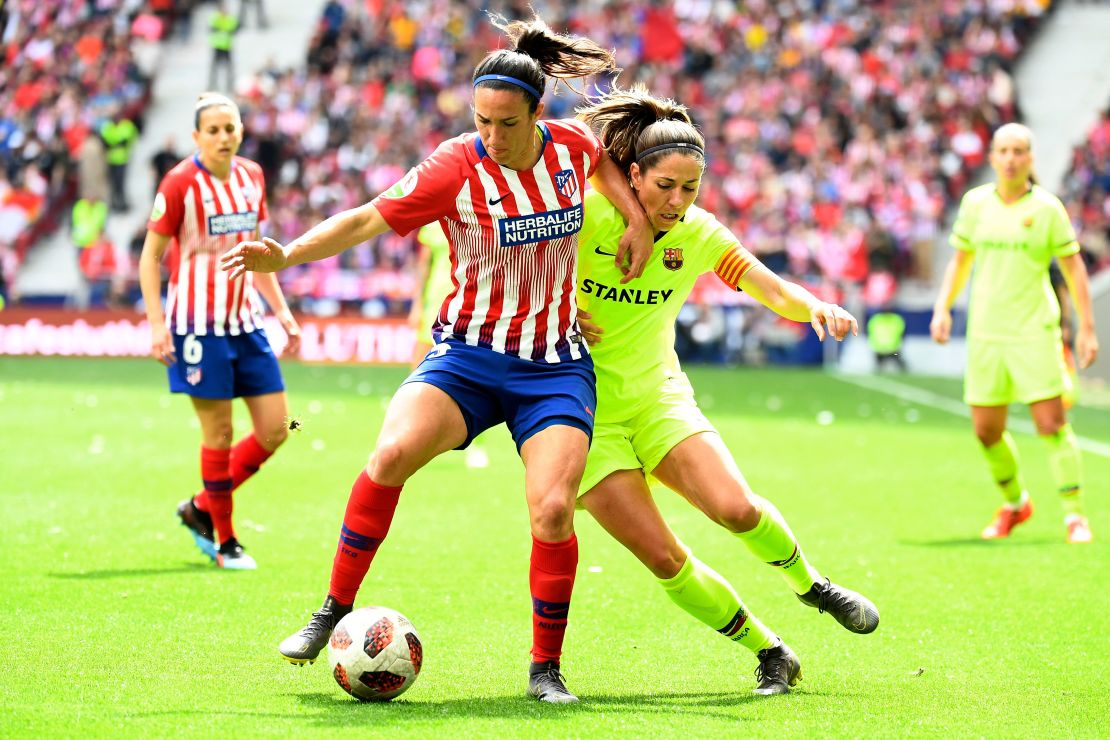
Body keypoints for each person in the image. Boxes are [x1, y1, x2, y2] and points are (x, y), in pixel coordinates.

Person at [221, 14, 652, 703]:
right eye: (480, 119)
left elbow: (601, 160)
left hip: (553, 368)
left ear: (537, 114)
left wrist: (633, 217)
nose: (490, 134)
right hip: (467, 359)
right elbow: (367, 217)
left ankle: (545, 670)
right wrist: (291, 252)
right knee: (389, 455)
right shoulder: (455, 166)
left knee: (551, 511)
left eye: (505, 123)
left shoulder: (571, 147)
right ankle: (330, 610)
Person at [573, 85, 880, 696]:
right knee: (664, 557)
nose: (677, 201)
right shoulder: (584, 213)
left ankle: (812, 585)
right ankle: (769, 651)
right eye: (665, 186)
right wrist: (553, 311)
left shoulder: (700, 234)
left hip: (657, 398)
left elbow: (769, 286)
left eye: (690, 189)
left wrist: (815, 305)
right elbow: (519, 264)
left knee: (736, 508)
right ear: (631, 175)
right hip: (581, 419)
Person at [139, 93, 302, 570]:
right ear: (197, 137)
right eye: (213, 130)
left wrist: (283, 313)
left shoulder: (253, 176)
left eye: (230, 128)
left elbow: (258, 255)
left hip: (246, 321)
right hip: (196, 325)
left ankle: (200, 506)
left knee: (277, 429)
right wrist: (155, 324)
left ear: (241, 131)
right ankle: (226, 540)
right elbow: (149, 258)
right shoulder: (179, 183)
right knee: (221, 431)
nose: (223, 137)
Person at [931, 123, 1098, 544]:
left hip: (1034, 330)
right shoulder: (975, 204)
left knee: (1051, 423)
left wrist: (1085, 329)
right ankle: (1015, 504)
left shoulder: (1047, 209)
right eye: (1003, 150)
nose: (1010, 158)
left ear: (1030, 159)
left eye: (1018, 151)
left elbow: (1074, 268)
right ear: (991, 157)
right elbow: (961, 260)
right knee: (986, 430)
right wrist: (943, 307)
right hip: (986, 332)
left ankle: (1075, 516)